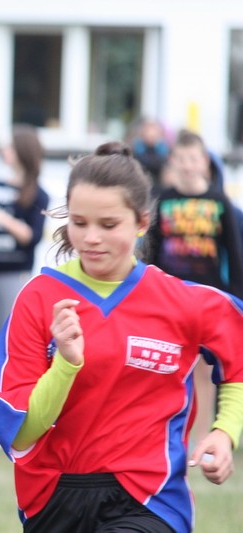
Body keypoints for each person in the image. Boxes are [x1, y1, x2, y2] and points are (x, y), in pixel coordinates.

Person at [0, 141, 243, 533]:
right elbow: (21, 432)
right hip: (53, 498)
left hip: (151, 498)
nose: (91, 238)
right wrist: (65, 364)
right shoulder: (39, 299)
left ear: (141, 222)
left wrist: (225, 432)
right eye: (79, 223)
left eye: (108, 225)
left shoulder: (181, 301)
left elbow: (237, 357)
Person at [146, 130, 243, 440]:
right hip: (169, 296)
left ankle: (201, 443)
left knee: (204, 369)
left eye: (193, 159)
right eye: (181, 159)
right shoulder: (163, 200)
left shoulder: (219, 201)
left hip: (208, 296)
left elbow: (234, 252)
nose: (187, 165)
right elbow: (152, 251)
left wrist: (236, 297)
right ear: (172, 161)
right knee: (168, 365)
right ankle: (171, 436)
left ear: (204, 162)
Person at [0, 124, 49, 448]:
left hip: (14, 277)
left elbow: (31, 236)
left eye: (10, 147)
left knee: (11, 350)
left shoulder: (38, 194)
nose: (4, 151)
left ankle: (11, 416)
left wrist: (0, 218)